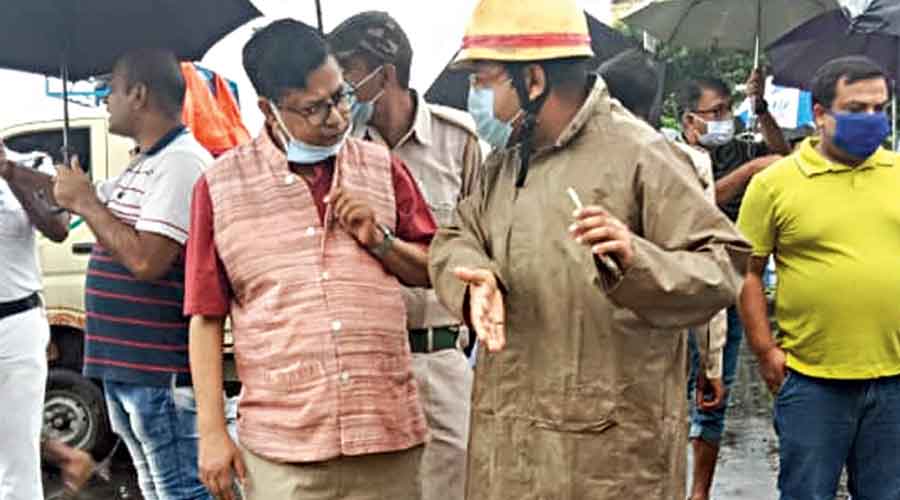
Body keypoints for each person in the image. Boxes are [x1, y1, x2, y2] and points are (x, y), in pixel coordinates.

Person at [428, 0, 751, 497]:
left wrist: (637, 262)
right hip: (508, 454)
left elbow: (721, 267)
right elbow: (455, 238)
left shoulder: (640, 155)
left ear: (532, 80)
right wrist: (474, 278)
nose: (479, 97)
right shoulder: (506, 163)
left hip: (606, 464)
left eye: (485, 80)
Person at [185, 20, 434, 500]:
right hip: (283, 447)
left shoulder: (382, 167)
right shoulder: (219, 187)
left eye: (339, 96)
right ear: (268, 109)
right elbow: (206, 317)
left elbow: (432, 270)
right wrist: (213, 432)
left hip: (386, 435)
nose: (337, 118)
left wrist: (381, 242)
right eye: (314, 109)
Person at [327, 12, 481, 500]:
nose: (340, 88)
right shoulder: (337, 151)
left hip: (439, 359)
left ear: (384, 73)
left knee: (453, 488)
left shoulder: (459, 142)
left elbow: (482, 250)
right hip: (364, 364)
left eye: (347, 72)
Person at [52, 49, 214, 500]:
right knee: (157, 486)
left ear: (138, 94)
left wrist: (86, 203)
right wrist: (11, 169)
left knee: (181, 490)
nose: (104, 100)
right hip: (129, 368)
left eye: (111, 89)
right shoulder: (146, 161)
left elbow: (147, 261)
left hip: (157, 370)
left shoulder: (182, 163)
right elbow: (72, 197)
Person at [738, 55, 900, 500]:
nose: (871, 119)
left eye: (879, 109)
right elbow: (747, 272)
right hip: (811, 381)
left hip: (894, 382)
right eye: (856, 109)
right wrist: (765, 350)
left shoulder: (897, 173)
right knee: (806, 493)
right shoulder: (776, 184)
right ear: (821, 114)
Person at [674, 70, 791, 500]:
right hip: (683, 287)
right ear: (690, 120)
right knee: (676, 387)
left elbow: (782, 156)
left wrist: (759, 108)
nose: (724, 118)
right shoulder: (669, 155)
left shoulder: (740, 146)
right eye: (714, 112)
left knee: (713, 390)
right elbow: (694, 200)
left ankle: (698, 492)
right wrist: (748, 173)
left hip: (732, 283)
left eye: (727, 109)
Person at [599, 47, 729, 414]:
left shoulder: (570, 159)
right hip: (657, 339)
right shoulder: (682, 163)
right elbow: (705, 267)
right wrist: (711, 363)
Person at [0, 142, 94, 499]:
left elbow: (57, 228)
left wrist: (8, 173)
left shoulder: (31, 163)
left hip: (15, 325)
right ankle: (66, 455)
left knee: (16, 460)